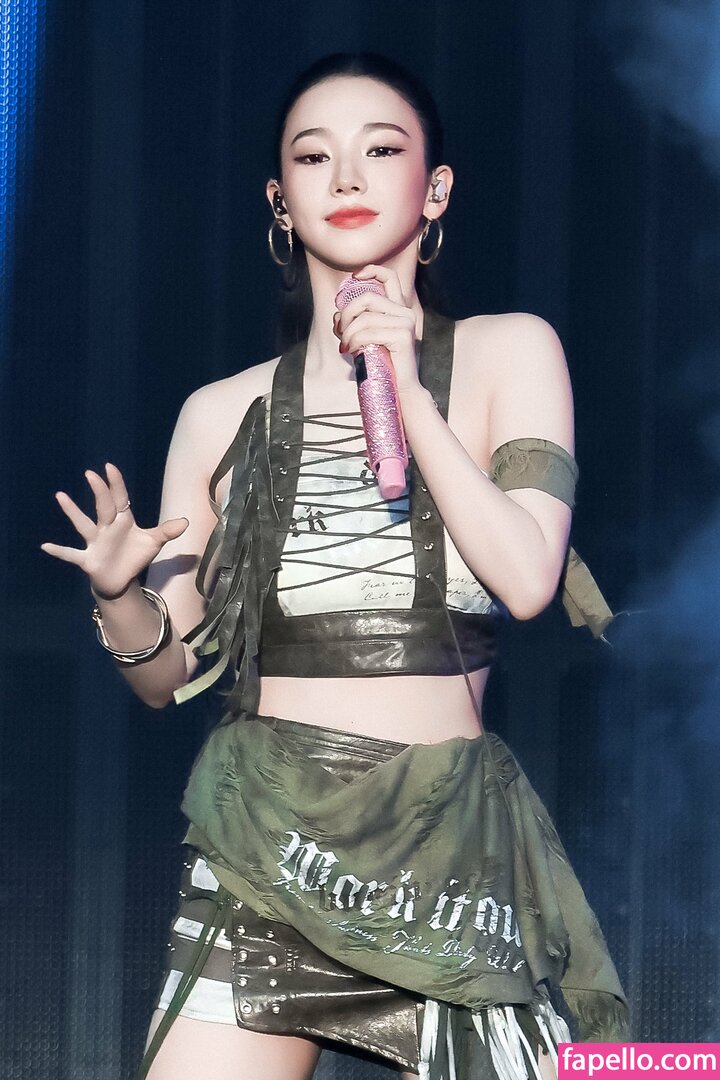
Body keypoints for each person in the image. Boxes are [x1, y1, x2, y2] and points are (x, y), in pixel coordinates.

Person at [42, 52, 628, 1080]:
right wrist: (118, 596)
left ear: (435, 189)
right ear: (280, 200)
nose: (347, 178)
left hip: (447, 852)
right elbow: (166, 677)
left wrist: (410, 392)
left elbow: (530, 579)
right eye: (314, 157)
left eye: (381, 151)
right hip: (269, 843)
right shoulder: (217, 414)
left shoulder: (511, 351)